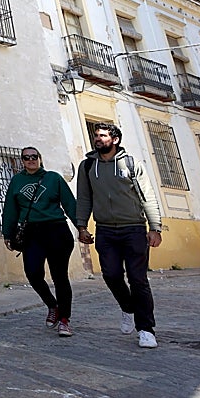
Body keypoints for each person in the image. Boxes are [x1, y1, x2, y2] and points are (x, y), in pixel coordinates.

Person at [75, 122, 163, 348]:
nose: (98, 139)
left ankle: (146, 329)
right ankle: (128, 308)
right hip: (105, 230)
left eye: (103, 135)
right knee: (111, 275)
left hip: (133, 228)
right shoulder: (87, 167)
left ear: (114, 139)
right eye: (96, 135)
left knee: (138, 279)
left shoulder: (132, 164)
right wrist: (82, 226)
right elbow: (84, 198)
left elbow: (147, 197)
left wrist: (155, 227)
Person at [1, 147, 78, 336]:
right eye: (26, 158)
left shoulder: (54, 178)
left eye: (34, 156)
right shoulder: (17, 181)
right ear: (22, 161)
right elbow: (10, 208)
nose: (30, 160)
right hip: (31, 233)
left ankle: (64, 320)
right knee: (33, 273)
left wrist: (82, 227)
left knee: (59, 276)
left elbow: (70, 204)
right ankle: (53, 305)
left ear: (40, 158)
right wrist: (7, 233)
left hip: (56, 229)